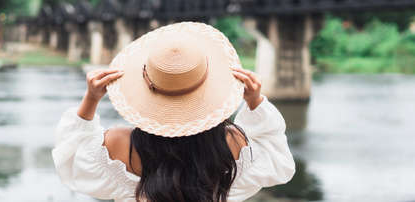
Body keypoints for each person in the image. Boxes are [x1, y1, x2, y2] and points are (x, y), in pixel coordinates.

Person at [52, 22, 295, 201]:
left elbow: (69, 160)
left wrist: (90, 100)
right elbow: (278, 159)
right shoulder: (233, 144)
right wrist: (255, 102)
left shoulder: (119, 145)